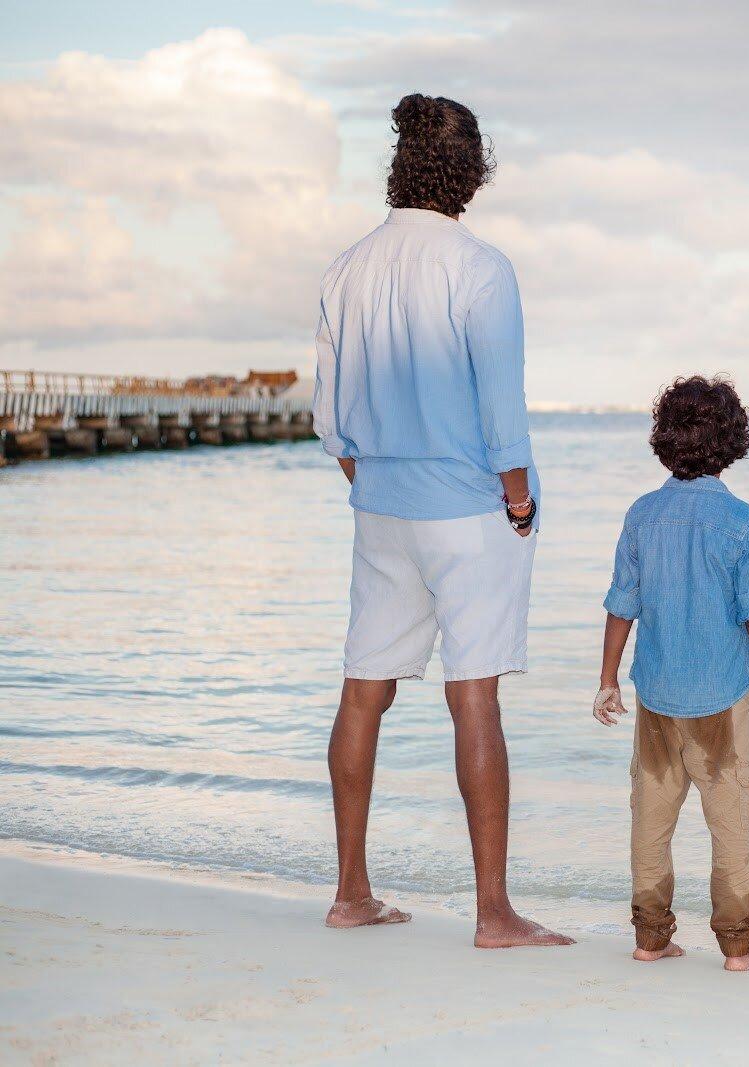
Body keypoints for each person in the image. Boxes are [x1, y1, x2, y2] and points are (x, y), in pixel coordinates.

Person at [312, 93, 570, 949]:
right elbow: (503, 412)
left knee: (364, 689)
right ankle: (493, 912)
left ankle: (352, 892)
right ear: (470, 173)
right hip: (469, 508)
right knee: (474, 696)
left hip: (380, 505)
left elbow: (328, 423)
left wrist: (378, 476)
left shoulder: (346, 268)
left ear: (400, 163)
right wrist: (521, 501)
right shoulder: (479, 266)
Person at [592, 375, 749, 972]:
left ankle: (650, 939)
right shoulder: (742, 521)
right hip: (720, 701)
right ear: (733, 440)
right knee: (731, 823)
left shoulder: (643, 515)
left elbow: (621, 604)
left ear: (664, 438)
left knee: (651, 822)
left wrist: (608, 679)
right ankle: (738, 948)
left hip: (656, 697)